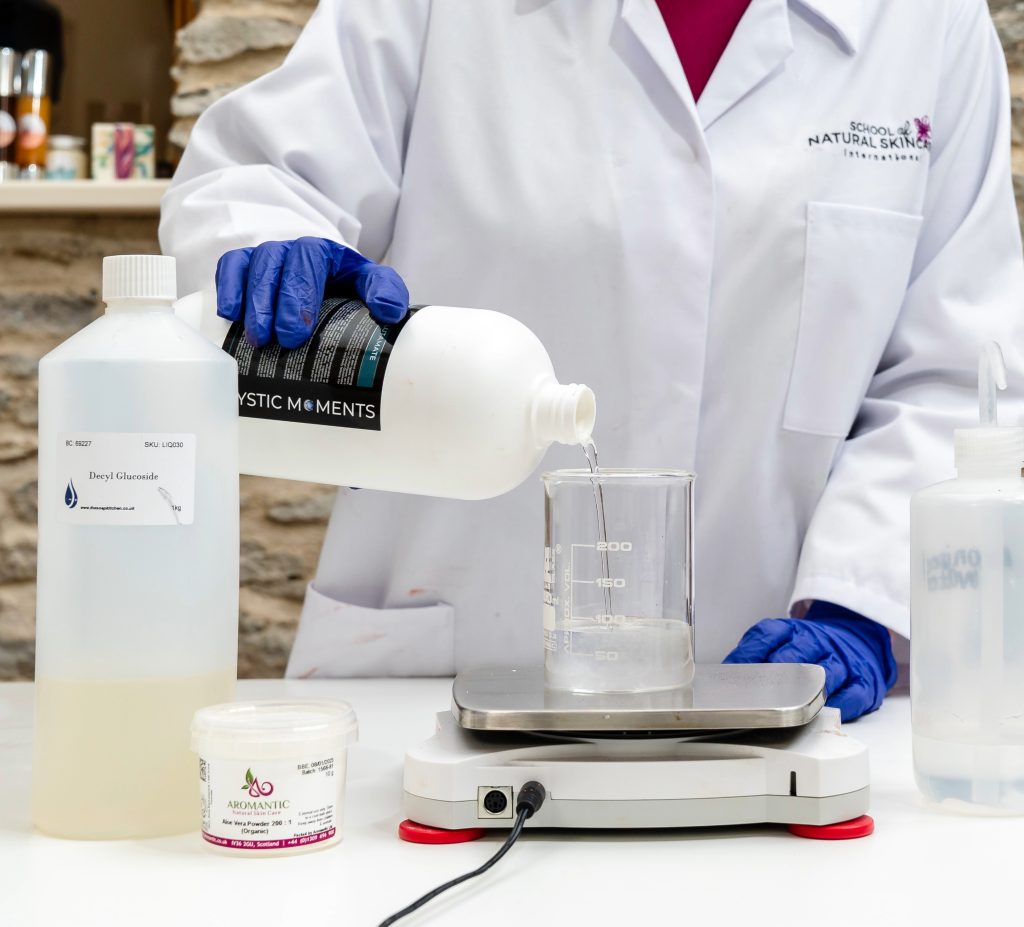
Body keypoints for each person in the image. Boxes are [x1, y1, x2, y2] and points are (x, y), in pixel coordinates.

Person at [160, 0, 1024, 721]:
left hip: (773, 695)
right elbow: (257, 177)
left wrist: (858, 601)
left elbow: (952, 371)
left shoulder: (926, 26)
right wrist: (272, 248)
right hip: (432, 681)